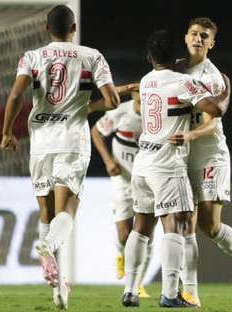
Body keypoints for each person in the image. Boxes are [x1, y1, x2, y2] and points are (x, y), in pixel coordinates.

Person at [0, 5, 120, 309]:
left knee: (47, 213)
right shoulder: (91, 56)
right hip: (72, 141)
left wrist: (6, 133)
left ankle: (56, 282)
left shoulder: (32, 57)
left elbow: (15, 96)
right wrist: (88, 107)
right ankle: (47, 247)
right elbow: (112, 100)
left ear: (45, 28)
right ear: (74, 28)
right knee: (68, 209)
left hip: (40, 142)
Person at [122, 29, 230, 308]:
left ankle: (130, 290)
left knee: (141, 227)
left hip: (142, 162)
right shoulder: (183, 82)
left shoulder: (146, 82)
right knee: (177, 225)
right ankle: (170, 294)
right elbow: (214, 110)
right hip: (167, 163)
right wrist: (224, 90)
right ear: (176, 57)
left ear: (149, 58)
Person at [173, 17, 232, 305]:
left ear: (211, 43)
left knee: (209, 226)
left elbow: (212, 122)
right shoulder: (174, 68)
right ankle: (190, 294)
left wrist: (191, 135)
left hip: (209, 153)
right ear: (185, 37)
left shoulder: (213, 78)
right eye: (194, 33)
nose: (198, 39)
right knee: (185, 223)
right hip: (181, 156)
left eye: (204, 36)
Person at [91, 87, 152, 298]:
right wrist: (108, 160)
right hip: (122, 180)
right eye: (140, 95)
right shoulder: (120, 112)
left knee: (146, 234)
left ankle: (138, 284)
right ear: (134, 95)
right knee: (125, 235)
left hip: (148, 181)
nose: (145, 100)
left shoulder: (157, 116)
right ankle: (121, 254)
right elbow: (96, 131)